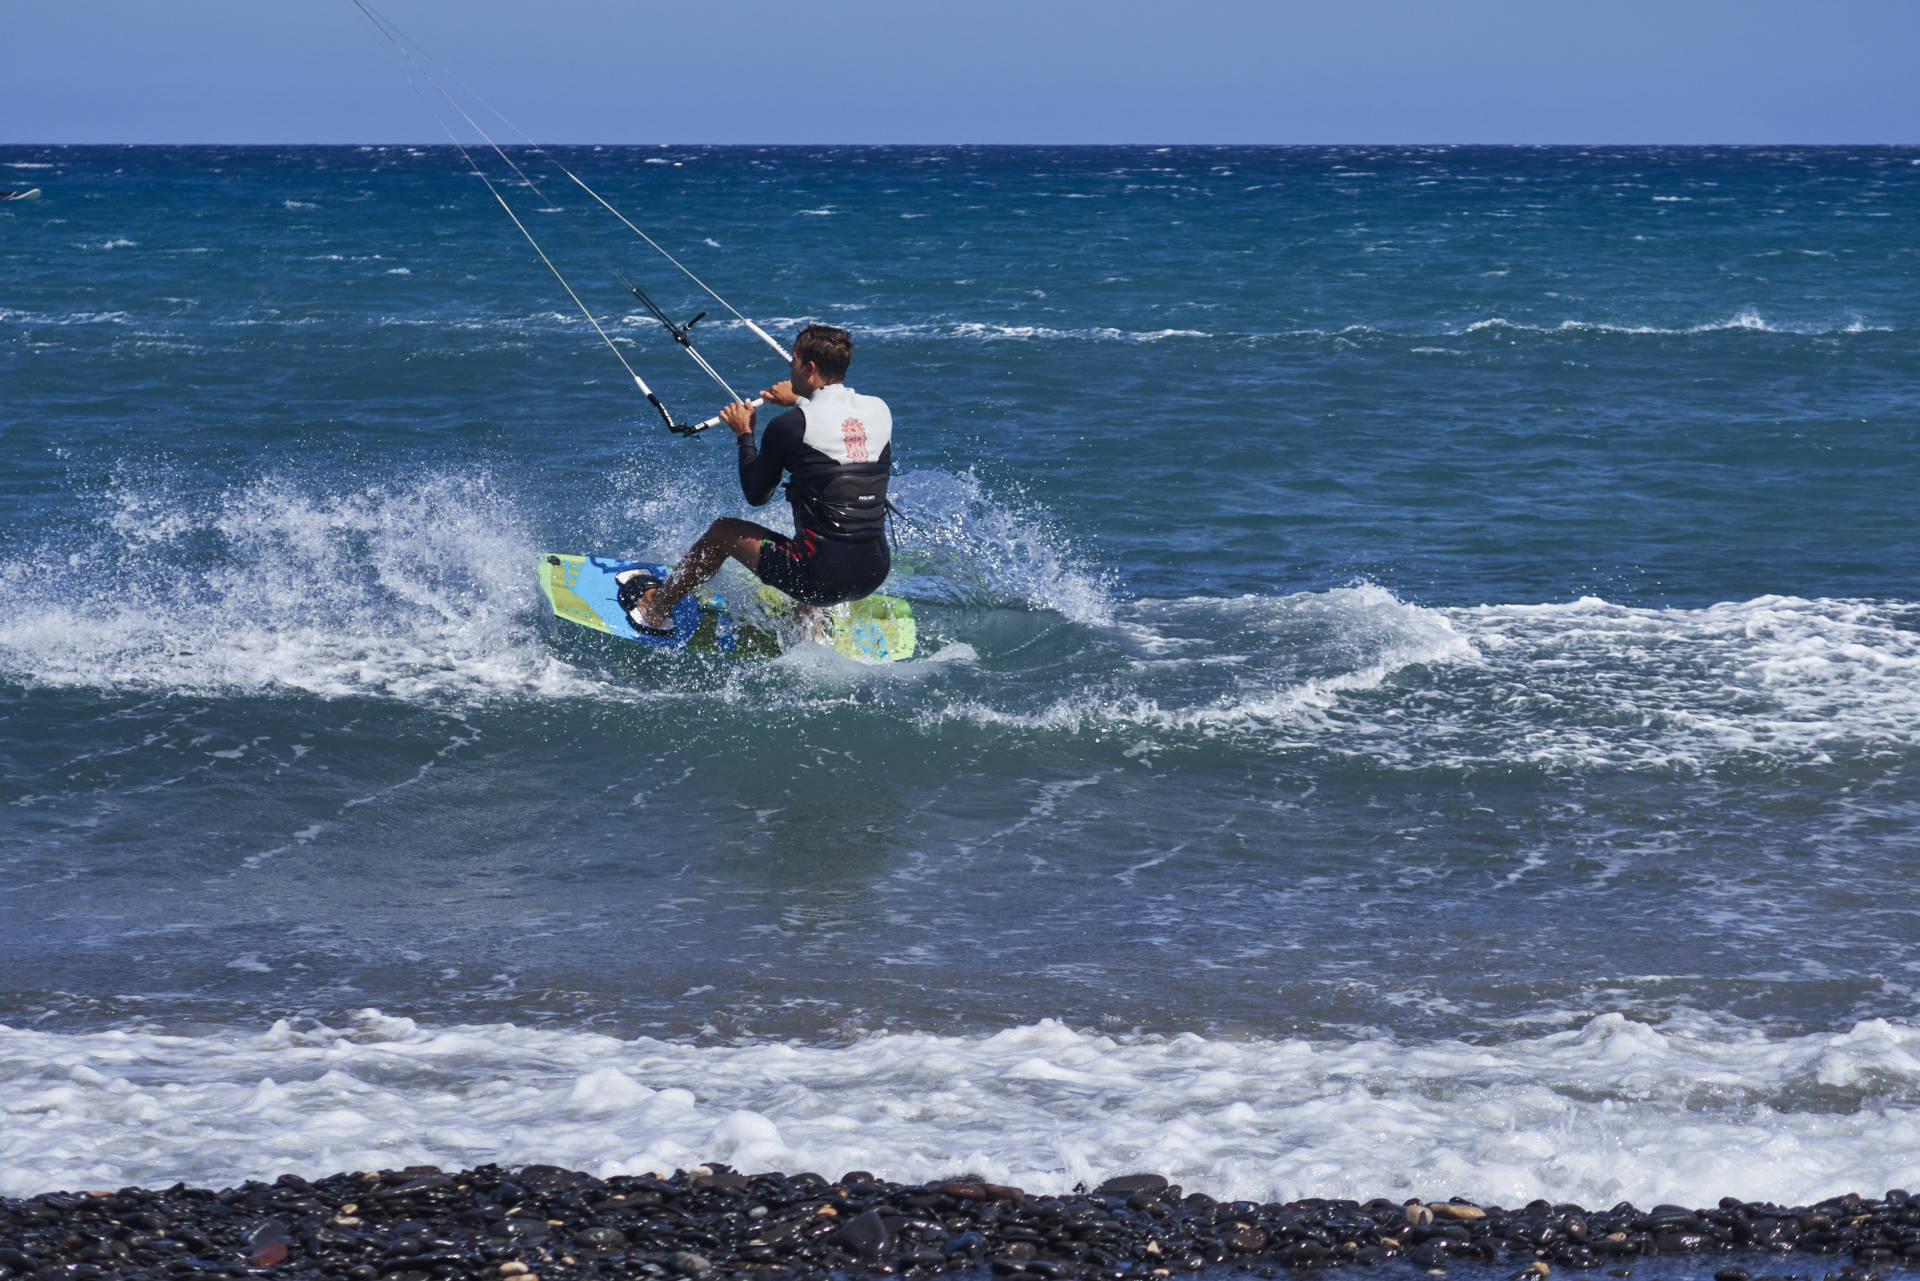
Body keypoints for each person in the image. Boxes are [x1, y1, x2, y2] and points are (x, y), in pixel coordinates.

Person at [622, 324, 893, 637]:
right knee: (823, 522)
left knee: (724, 531)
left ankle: (655, 610)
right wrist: (802, 399)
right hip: (872, 569)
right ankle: (809, 627)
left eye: (793, 360)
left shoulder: (790, 426)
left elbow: (756, 494)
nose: (789, 366)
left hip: (820, 575)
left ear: (810, 367)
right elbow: (834, 426)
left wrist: (744, 433)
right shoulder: (880, 411)